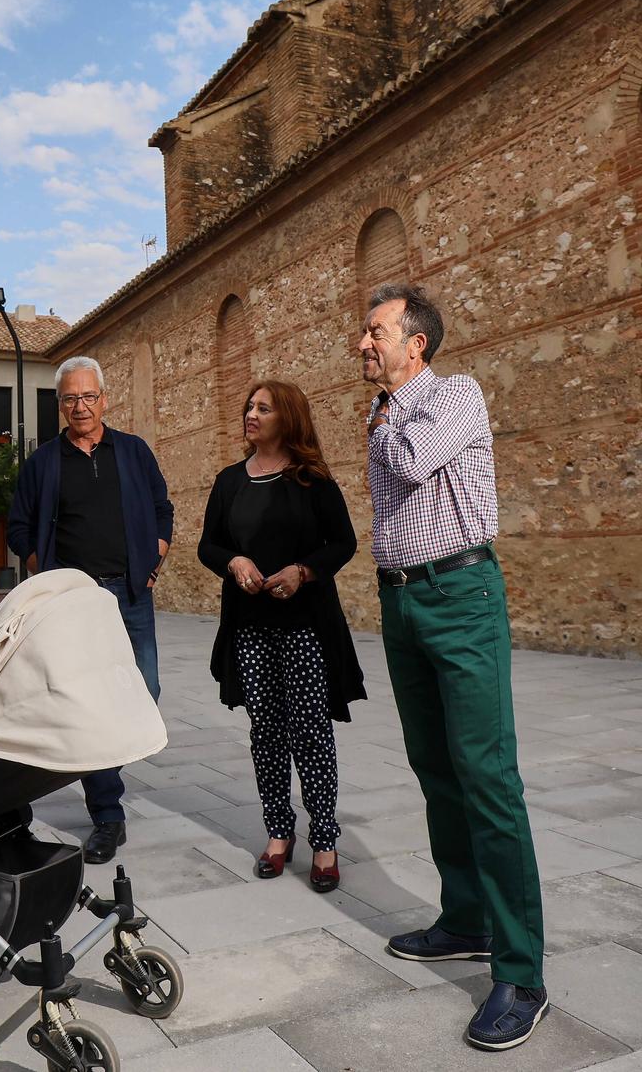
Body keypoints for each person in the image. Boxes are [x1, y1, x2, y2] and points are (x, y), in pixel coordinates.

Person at [360, 282, 548, 1052]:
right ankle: (465, 918)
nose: (362, 344)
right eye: (364, 333)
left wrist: (385, 413)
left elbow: (410, 461)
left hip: (461, 595)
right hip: (402, 602)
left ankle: (523, 972)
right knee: (435, 767)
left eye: (376, 332)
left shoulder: (454, 395)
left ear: (417, 345)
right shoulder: (382, 409)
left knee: (487, 776)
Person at [196, 380, 364, 893]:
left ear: (287, 417)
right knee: (265, 733)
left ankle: (325, 840)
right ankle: (277, 832)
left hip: (306, 628)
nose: (251, 414)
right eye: (249, 406)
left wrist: (303, 572)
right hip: (249, 628)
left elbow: (344, 542)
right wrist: (234, 561)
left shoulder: (313, 481)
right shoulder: (229, 482)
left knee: (310, 733)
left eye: (263, 408)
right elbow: (209, 545)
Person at [7, 356, 173, 864]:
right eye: (69, 399)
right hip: (73, 601)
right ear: (59, 405)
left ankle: (106, 768)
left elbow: (162, 507)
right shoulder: (43, 463)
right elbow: (18, 528)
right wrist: (47, 569)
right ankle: (107, 813)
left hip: (130, 593)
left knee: (146, 688)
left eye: (88, 396)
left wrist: (155, 558)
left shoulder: (134, 451)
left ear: (105, 399)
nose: (80, 406)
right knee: (87, 703)